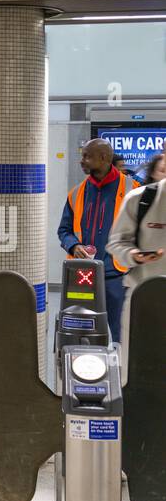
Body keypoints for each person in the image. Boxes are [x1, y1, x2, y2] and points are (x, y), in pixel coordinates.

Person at [58, 138, 139, 342]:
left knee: (123, 335)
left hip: (118, 277)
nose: (82, 160)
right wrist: (73, 245)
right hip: (83, 278)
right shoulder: (76, 193)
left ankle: (122, 373)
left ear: (103, 158)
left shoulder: (134, 191)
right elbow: (64, 230)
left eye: (87, 156)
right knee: (82, 334)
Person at [107, 170, 166, 358]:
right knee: (137, 370)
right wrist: (133, 254)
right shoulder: (141, 199)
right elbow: (116, 242)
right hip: (145, 301)